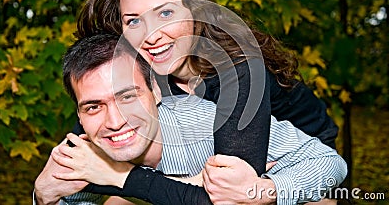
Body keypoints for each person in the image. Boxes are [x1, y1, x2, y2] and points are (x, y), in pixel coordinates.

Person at [75, 0, 339, 177]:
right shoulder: (140, 72)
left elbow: (229, 183)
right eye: (133, 21)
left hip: (310, 151)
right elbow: (80, 147)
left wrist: (118, 180)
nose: (152, 36)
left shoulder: (238, 68)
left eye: (165, 13)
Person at [34, 34, 347, 205]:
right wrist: (43, 195)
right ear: (78, 113)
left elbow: (329, 163)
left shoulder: (206, 122)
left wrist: (267, 191)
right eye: (93, 106)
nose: (115, 121)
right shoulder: (87, 152)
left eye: (128, 97)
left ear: (155, 91)